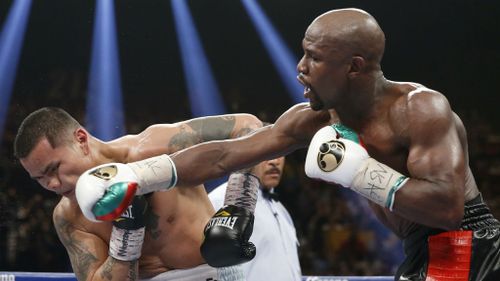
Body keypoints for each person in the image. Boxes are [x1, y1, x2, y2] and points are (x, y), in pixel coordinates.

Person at [158, 8, 500, 281]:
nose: (300, 68)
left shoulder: (418, 108)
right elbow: (226, 155)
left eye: (314, 57)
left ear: (354, 67)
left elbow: (447, 210)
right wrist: (143, 174)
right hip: (423, 248)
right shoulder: (315, 120)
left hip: (465, 241)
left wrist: (359, 172)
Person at [13, 106, 262, 281]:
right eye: (40, 179)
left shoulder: (151, 150)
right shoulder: (69, 215)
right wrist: (127, 236)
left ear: (81, 139)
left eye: (54, 169)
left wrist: (237, 208)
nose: (53, 185)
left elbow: (250, 127)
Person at [209, 155, 302, 281]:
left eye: (280, 154)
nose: (274, 162)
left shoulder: (281, 210)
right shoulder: (223, 201)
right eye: (267, 154)